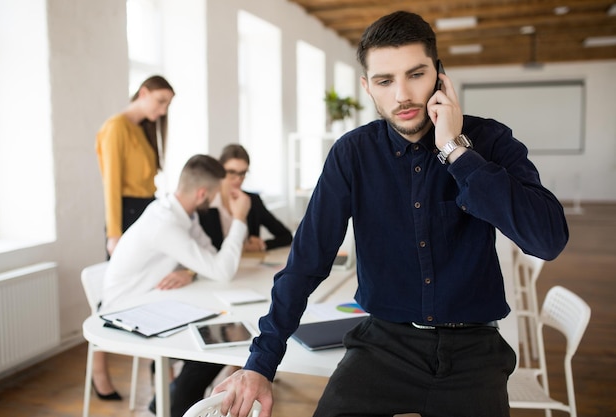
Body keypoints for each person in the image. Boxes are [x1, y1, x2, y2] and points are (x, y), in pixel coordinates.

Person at [212, 10, 569, 417]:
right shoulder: (352, 154)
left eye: (416, 74)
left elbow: (548, 240)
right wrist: (261, 363)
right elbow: (307, 261)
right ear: (367, 87)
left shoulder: (489, 140)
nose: (402, 95)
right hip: (382, 346)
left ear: (439, 75)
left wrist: (455, 150)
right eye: (385, 81)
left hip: (474, 351)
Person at [100, 154, 251, 417]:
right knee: (215, 342)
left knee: (217, 339)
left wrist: (190, 270)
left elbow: (210, 257)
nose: (216, 198)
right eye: (214, 194)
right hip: (125, 311)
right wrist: (239, 219)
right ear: (202, 193)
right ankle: (173, 407)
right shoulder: (164, 223)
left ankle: (167, 405)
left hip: (153, 300)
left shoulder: (184, 215)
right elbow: (222, 270)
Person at [93, 75, 175, 400]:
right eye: (160, 101)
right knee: (114, 297)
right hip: (125, 216)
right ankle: (98, 369)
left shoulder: (143, 129)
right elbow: (111, 184)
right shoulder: (116, 127)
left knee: (154, 290)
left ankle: (163, 371)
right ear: (143, 93)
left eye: (167, 103)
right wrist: (114, 233)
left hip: (146, 213)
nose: (164, 109)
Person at [199, 144, 292, 252]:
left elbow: (286, 236)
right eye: (232, 172)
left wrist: (262, 245)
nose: (238, 179)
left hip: (250, 265)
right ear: (220, 170)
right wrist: (242, 248)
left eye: (243, 173)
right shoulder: (205, 204)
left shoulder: (253, 201)